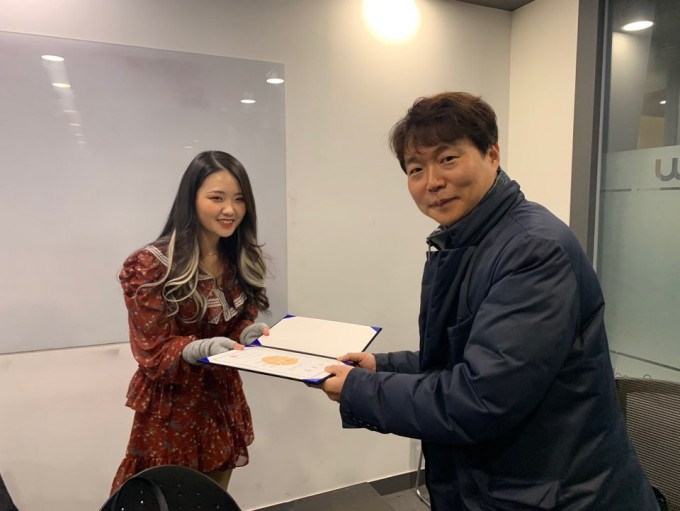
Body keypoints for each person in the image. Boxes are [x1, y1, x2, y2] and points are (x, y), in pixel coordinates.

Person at [318, 92, 659, 510]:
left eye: (447, 159)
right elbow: (467, 357)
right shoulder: (469, 241)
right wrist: (381, 366)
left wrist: (360, 390)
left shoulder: (533, 250)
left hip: (562, 495)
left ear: (492, 154)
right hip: (511, 486)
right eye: (416, 169)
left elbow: (481, 398)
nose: (432, 181)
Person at [111, 150, 270, 495]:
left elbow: (233, 323)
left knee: (212, 498)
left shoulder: (237, 256)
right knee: (168, 497)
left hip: (221, 400)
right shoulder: (152, 264)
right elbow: (152, 349)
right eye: (217, 198)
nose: (230, 210)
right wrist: (199, 349)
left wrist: (246, 333)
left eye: (239, 199)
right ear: (191, 199)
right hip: (173, 408)